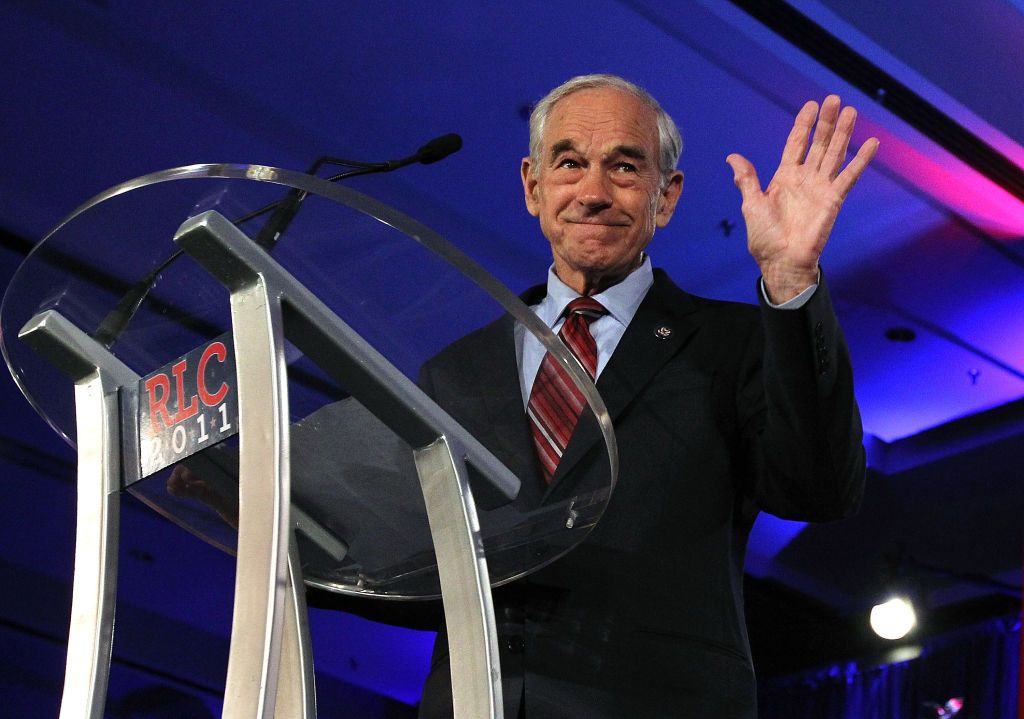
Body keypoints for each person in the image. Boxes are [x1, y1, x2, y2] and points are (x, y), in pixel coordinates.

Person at [413, 74, 876, 718]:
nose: (594, 193)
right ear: (532, 185)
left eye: (625, 168)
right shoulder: (454, 371)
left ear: (666, 199)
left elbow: (820, 489)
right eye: (570, 162)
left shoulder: (734, 344)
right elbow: (405, 559)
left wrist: (791, 277)